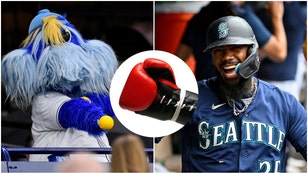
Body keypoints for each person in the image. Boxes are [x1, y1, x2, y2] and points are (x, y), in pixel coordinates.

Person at [180, 16, 307, 172]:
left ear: (251, 52)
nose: (227, 57)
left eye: (235, 48)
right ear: (212, 59)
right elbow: (150, 126)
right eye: (219, 51)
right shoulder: (191, 97)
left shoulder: (283, 103)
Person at [175, 1, 236, 81]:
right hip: (232, 84)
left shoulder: (197, 20)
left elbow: (178, 60)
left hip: (204, 83)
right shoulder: (241, 19)